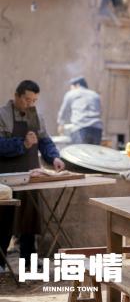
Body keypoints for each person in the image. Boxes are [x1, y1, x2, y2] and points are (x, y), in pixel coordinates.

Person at [0, 80, 64, 270]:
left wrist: (54, 158)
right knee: (4, 218)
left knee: (29, 217)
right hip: (6, 177)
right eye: (27, 100)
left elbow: (45, 141)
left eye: (34, 100)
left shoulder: (37, 117)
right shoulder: (2, 115)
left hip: (30, 174)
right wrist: (22, 144)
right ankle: (0, 262)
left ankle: (28, 260)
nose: (30, 104)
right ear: (17, 96)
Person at [57, 76, 103, 144]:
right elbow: (100, 111)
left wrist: (61, 125)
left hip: (80, 128)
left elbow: (63, 111)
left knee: (79, 153)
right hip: (97, 129)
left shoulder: (71, 93)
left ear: (77, 85)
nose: (70, 88)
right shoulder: (95, 95)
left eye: (71, 86)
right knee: (93, 154)